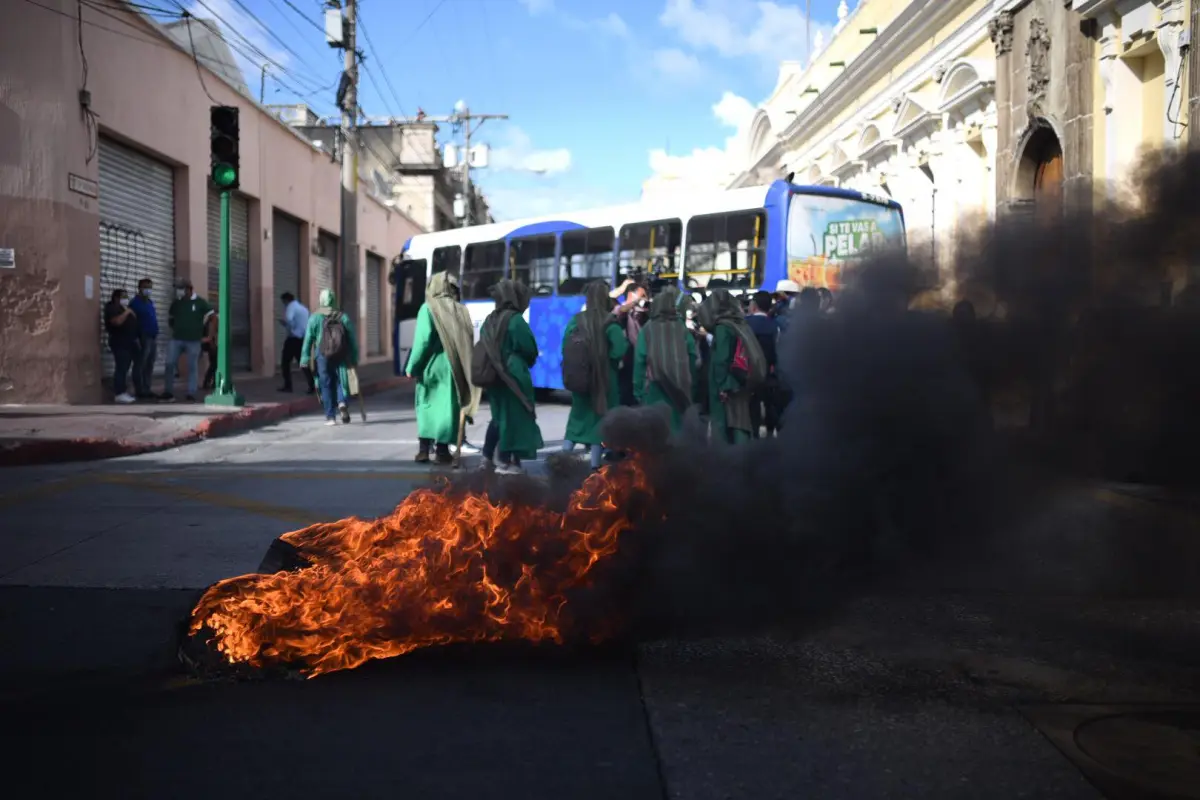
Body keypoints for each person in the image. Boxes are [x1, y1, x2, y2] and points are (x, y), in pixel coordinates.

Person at [406, 272, 478, 464]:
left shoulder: (427, 308)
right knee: (447, 408)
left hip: (431, 366)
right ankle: (442, 451)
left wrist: (412, 366)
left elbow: (422, 341)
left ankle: (423, 450)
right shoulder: (460, 310)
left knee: (426, 406)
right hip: (452, 367)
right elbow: (467, 338)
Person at [562, 280, 629, 470]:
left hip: (581, 378)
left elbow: (566, 346)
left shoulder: (576, 320)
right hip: (605, 381)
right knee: (600, 422)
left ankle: (564, 458)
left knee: (577, 420)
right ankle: (594, 465)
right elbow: (619, 350)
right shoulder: (609, 322)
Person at [478, 280, 543, 475]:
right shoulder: (515, 320)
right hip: (513, 374)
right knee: (515, 417)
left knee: (498, 417)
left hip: (493, 374)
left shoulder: (490, 319)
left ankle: (487, 457)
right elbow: (530, 348)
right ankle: (506, 461)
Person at [697, 288, 767, 445]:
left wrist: (722, 386)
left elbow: (721, 360)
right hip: (741, 382)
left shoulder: (723, 328)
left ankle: (729, 462)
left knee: (725, 425)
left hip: (726, 387)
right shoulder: (740, 324)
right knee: (740, 421)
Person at [633, 285, 698, 432]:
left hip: (654, 388)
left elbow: (640, 360)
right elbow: (692, 357)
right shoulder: (681, 328)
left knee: (656, 431)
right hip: (681, 388)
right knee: (678, 429)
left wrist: (638, 389)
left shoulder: (648, 329)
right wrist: (691, 383)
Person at [301, 288, 359, 426]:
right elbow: (352, 339)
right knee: (340, 380)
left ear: (321, 300)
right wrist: (354, 357)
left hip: (322, 356)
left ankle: (330, 417)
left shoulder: (315, 317)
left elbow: (308, 339)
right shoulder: (342, 317)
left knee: (325, 384)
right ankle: (342, 402)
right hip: (341, 354)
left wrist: (305, 358)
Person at [162, 278, 212, 403]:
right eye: (178, 289)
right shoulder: (176, 303)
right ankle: (168, 392)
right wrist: (176, 328)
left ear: (189, 289)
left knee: (192, 366)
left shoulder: (200, 302)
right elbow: (171, 319)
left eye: (181, 289)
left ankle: (191, 392)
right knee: (169, 364)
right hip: (176, 339)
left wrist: (210, 336)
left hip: (194, 340)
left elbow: (213, 317)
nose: (178, 291)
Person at [745, 290, 780, 438]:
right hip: (768, 372)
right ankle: (771, 434)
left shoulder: (745, 323)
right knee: (769, 403)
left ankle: (753, 435)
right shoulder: (774, 325)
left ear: (754, 306)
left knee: (752, 404)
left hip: (748, 372)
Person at [614, 282, 649, 405]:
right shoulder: (621, 309)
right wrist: (634, 303)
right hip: (626, 357)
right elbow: (619, 311)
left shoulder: (642, 315)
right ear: (631, 294)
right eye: (642, 295)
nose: (645, 298)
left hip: (638, 356)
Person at [103, 288, 140, 404]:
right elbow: (117, 322)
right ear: (116, 298)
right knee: (121, 367)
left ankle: (124, 391)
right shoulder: (111, 308)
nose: (126, 299)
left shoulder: (123, 308)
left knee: (126, 366)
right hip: (119, 342)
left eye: (126, 297)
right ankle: (119, 393)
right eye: (123, 297)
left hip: (129, 342)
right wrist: (127, 312)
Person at [127, 277, 158, 399]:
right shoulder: (135, 303)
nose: (148, 290)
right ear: (139, 288)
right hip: (142, 337)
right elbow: (132, 322)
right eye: (145, 287)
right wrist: (136, 338)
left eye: (150, 288)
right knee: (140, 364)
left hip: (152, 336)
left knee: (149, 364)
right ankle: (139, 390)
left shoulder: (150, 302)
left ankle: (147, 388)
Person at [278, 292, 313, 394]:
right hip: (302, 338)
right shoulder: (303, 308)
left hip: (293, 339)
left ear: (286, 300)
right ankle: (313, 385)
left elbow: (289, 319)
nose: (283, 304)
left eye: (283, 302)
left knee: (285, 362)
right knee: (303, 363)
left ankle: (288, 386)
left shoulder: (291, 307)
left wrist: (285, 323)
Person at [201, 310, 219, 391]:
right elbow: (211, 336)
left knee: (213, 365)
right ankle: (209, 382)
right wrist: (213, 346)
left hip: (211, 346)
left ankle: (210, 382)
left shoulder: (208, 322)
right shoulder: (212, 323)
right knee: (214, 365)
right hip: (213, 347)